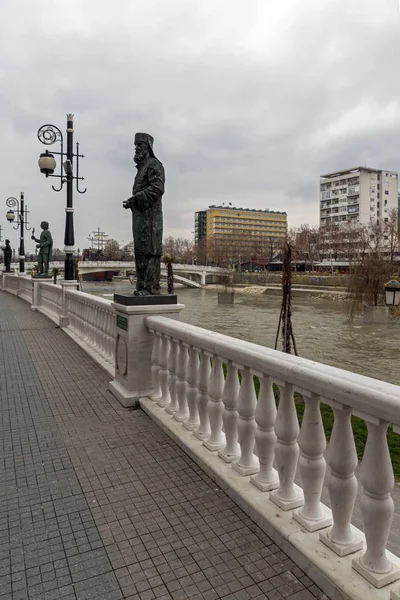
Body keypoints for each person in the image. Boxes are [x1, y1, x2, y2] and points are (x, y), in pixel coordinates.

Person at [123, 133, 165, 295]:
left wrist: (135, 199)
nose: (136, 149)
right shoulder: (142, 169)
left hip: (151, 218)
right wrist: (132, 202)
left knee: (150, 252)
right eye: (136, 146)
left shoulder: (154, 164)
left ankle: (151, 288)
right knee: (140, 251)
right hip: (140, 217)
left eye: (139, 146)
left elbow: (157, 189)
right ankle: (142, 286)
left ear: (147, 148)